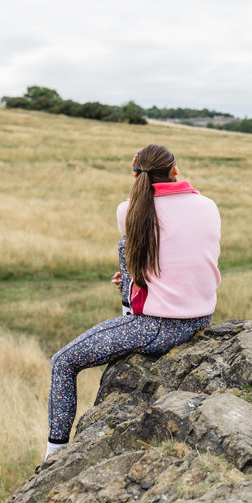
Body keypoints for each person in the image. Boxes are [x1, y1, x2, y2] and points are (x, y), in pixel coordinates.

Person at [43, 144, 221, 463]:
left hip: (157, 327)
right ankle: (128, 304)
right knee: (130, 248)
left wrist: (132, 282)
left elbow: (143, 241)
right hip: (202, 318)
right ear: (175, 170)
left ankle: (53, 454)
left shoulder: (128, 210)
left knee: (62, 362)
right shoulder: (209, 206)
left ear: (136, 175)